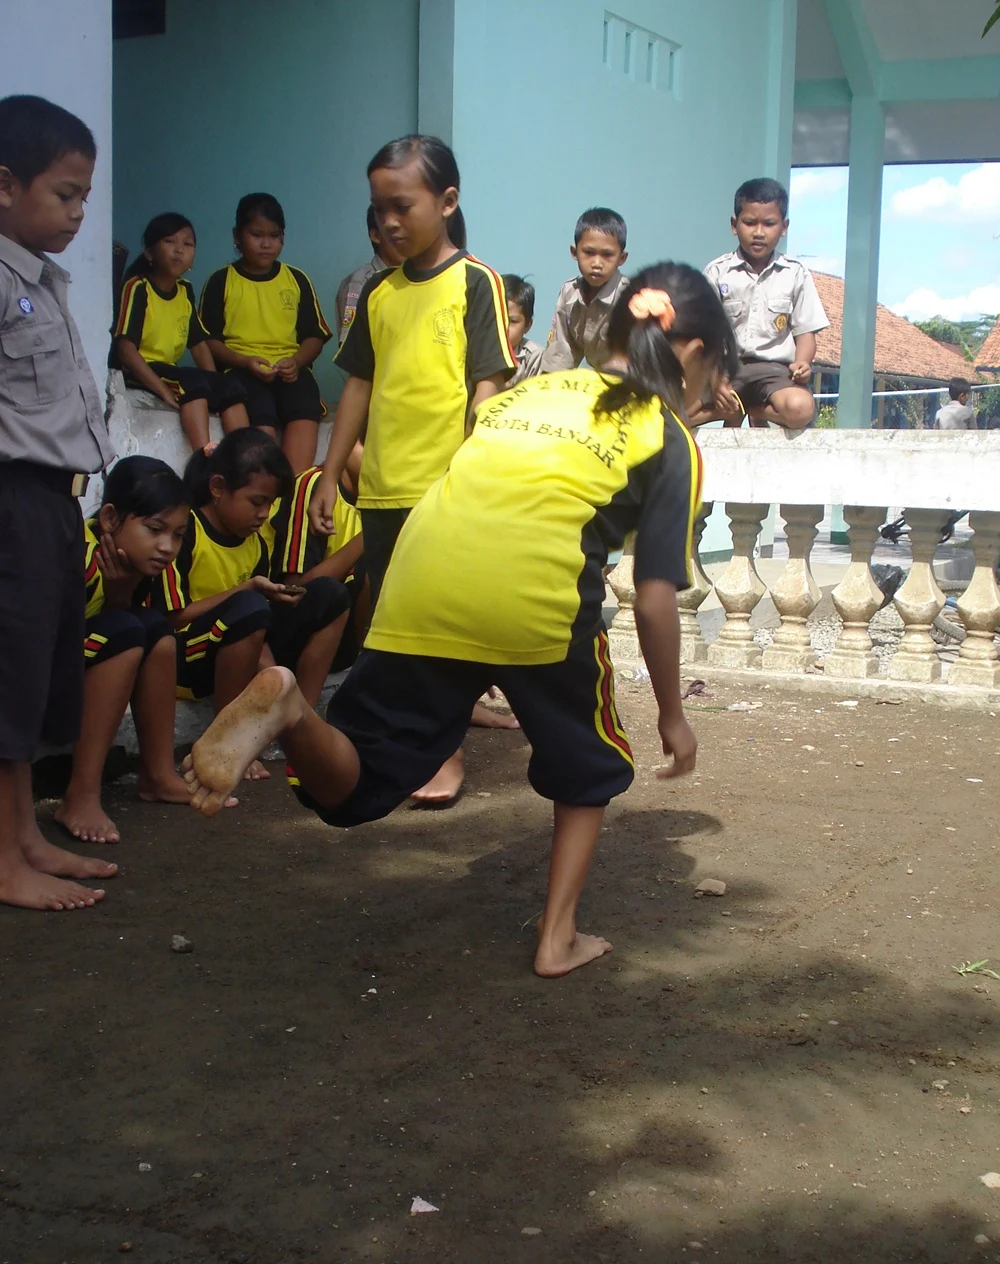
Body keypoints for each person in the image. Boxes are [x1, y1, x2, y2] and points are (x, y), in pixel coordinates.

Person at [183, 261, 734, 978]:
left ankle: (292, 708)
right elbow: (656, 597)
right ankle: (557, 937)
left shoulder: (526, 394)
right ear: (692, 353)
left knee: (354, 787)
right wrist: (672, 715)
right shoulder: (667, 437)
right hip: (534, 596)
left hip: (421, 574)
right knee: (586, 768)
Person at [307, 134, 517, 804]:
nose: (389, 221)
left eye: (403, 205)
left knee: (441, 627)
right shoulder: (378, 294)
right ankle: (398, 756)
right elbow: (358, 390)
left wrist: (466, 478)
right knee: (392, 627)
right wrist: (329, 469)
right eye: (379, 208)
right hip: (382, 491)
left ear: (448, 201)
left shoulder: (475, 282)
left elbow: (486, 386)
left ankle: (445, 757)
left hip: (445, 492)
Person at [0, 94, 119, 911]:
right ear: (5, 186)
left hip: (50, 504)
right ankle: (2, 860)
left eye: (84, 195)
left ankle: (24, 838)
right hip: (9, 500)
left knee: (33, 680)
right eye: (65, 194)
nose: (80, 211)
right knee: (4, 684)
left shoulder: (42, 277)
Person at [150, 429, 351, 782]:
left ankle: (298, 720)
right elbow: (169, 619)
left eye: (270, 503)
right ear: (217, 488)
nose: (264, 513)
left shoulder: (256, 544)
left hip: (244, 640)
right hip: (186, 657)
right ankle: (229, 738)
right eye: (255, 501)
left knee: (329, 596)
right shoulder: (186, 533)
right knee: (247, 608)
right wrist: (245, 591)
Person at [55, 457, 195, 845]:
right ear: (111, 519)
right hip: (33, 681)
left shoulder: (147, 565)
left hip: (74, 668)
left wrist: (119, 595)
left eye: (178, 534)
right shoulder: (78, 557)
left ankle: (157, 774)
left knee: (154, 630)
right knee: (126, 630)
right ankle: (80, 795)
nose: (167, 546)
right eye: (154, 529)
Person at [199, 193, 332, 473]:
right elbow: (207, 340)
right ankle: (266, 486)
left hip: (289, 370)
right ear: (237, 235)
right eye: (256, 234)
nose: (266, 243)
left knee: (304, 399)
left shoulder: (296, 279)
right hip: (241, 371)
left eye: (274, 235)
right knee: (258, 408)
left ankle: (292, 488)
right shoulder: (221, 281)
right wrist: (244, 362)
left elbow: (314, 336)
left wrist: (296, 361)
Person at [695, 177, 827, 430]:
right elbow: (705, 337)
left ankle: (749, 409)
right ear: (734, 225)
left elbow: (806, 334)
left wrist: (803, 363)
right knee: (675, 410)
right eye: (749, 222)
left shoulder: (795, 273)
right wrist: (715, 381)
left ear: (784, 226)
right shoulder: (717, 272)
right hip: (727, 369)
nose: (758, 232)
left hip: (775, 372)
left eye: (769, 224)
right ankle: (728, 407)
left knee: (801, 409)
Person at [111, 213, 249, 451]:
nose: (179, 250)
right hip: (140, 369)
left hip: (169, 370)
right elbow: (126, 350)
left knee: (230, 386)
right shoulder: (138, 287)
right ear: (149, 253)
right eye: (169, 241)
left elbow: (198, 344)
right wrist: (162, 390)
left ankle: (243, 456)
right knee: (193, 381)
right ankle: (203, 457)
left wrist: (216, 384)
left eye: (187, 244)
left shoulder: (185, 290)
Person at [537, 207, 629, 373]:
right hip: (601, 381)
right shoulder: (569, 293)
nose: (597, 263)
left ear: (622, 258)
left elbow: (639, 364)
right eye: (589, 252)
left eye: (607, 255)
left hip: (642, 384)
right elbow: (559, 358)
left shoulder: (629, 298)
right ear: (574, 252)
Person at [334, 205, 403, 346]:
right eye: (395, 231)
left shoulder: (412, 279)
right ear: (376, 236)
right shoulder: (359, 283)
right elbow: (351, 345)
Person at [503, 274, 543, 386]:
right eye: (497, 319)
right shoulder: (477, 350)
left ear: (527, 325)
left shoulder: (533, 356)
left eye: (513, 321)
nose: (504, 327)